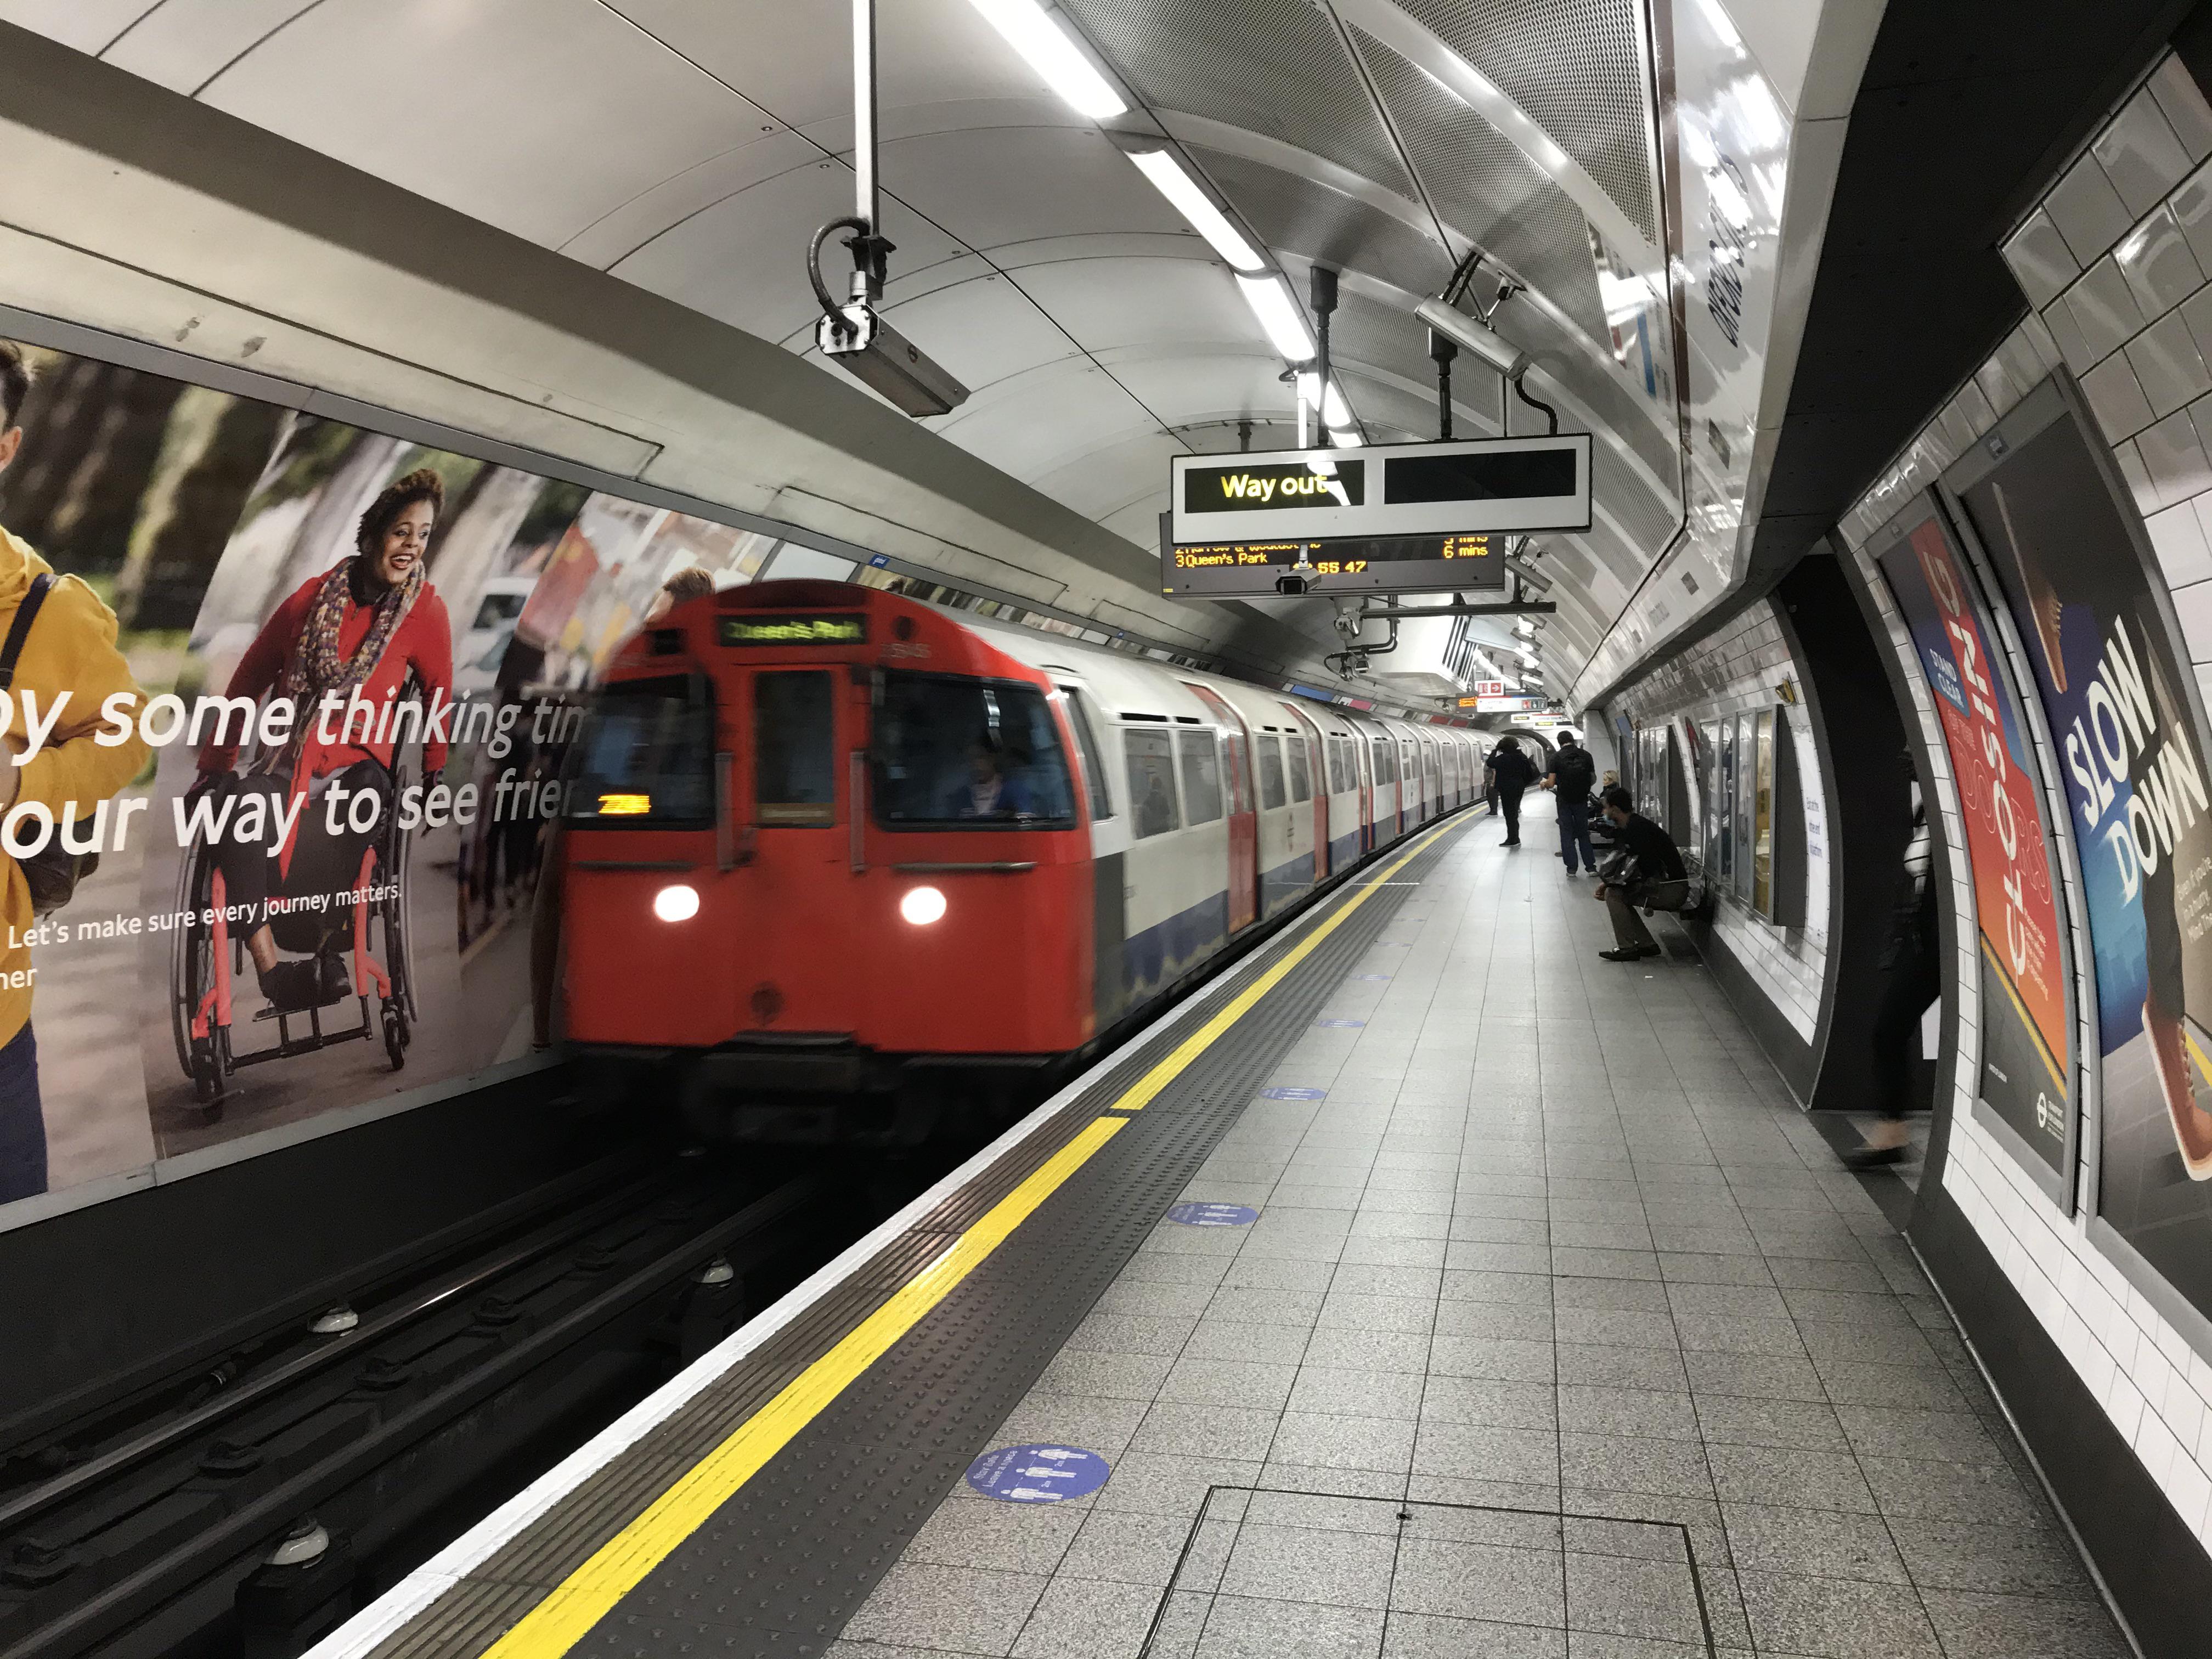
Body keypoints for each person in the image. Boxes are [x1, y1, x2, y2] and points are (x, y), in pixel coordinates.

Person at [196, 468, 453, 1012]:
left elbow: (439, 697)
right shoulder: (310, 601)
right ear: (374, 532)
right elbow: (245, 683)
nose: (412, 545)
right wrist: (216, 766)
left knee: (362, 796)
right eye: (402, 531)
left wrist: (434, 774)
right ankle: (274, 973)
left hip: (355, 771)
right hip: (288, 766)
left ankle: (325, 949)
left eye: (423, 534)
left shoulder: (425, 611)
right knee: (236, 805)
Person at [0, 341, 154, 1201]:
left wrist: (27, 784)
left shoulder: (50, 610)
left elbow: (128, 737)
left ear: (4, 447)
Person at [1849, 770, 1938, 1167]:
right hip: (1924, 941)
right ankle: (1892, 1131)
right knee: (1888, 1032)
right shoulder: (1928, 810)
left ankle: (1892, 1133)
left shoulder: (1955, 809)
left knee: (1888, 1031)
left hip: (1942, 946)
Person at [1593, 785, 1688, 961]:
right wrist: (1609, 882)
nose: (1604, 812)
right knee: (1617, 893)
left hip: (1671, 889)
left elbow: (1646, 868)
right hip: (1664, 885)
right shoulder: (1633, 826)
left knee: (1614, 895)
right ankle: (1645, 944)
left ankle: (1627, 948)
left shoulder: (1638, 830)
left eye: (1606, 808)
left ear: (1615, 809)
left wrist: (1610, 885)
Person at [1545, 733, 1598, 876]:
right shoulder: (1586, 756)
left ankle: (1572, 869)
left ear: (1559, 742)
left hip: (1564, 800)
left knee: (1567, 833)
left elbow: (1550, 783)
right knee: (1583, 832)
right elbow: (1593, 779)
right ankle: (1591, 868)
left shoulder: (1555, 758)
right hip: (1581, 800)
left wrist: (1545, 784)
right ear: (1572, 740)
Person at [1487, 735, 1537, 846]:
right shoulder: (1522, 757)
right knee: (1514, 813)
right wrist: (1523, 783)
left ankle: (1513, 839)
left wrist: (1495, 751)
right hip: (1519, 787)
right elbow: (1529, 772)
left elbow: (1490, 763)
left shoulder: (1504, 758)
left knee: (1509, 814)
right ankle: (1514, 837)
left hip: (1507, 788)